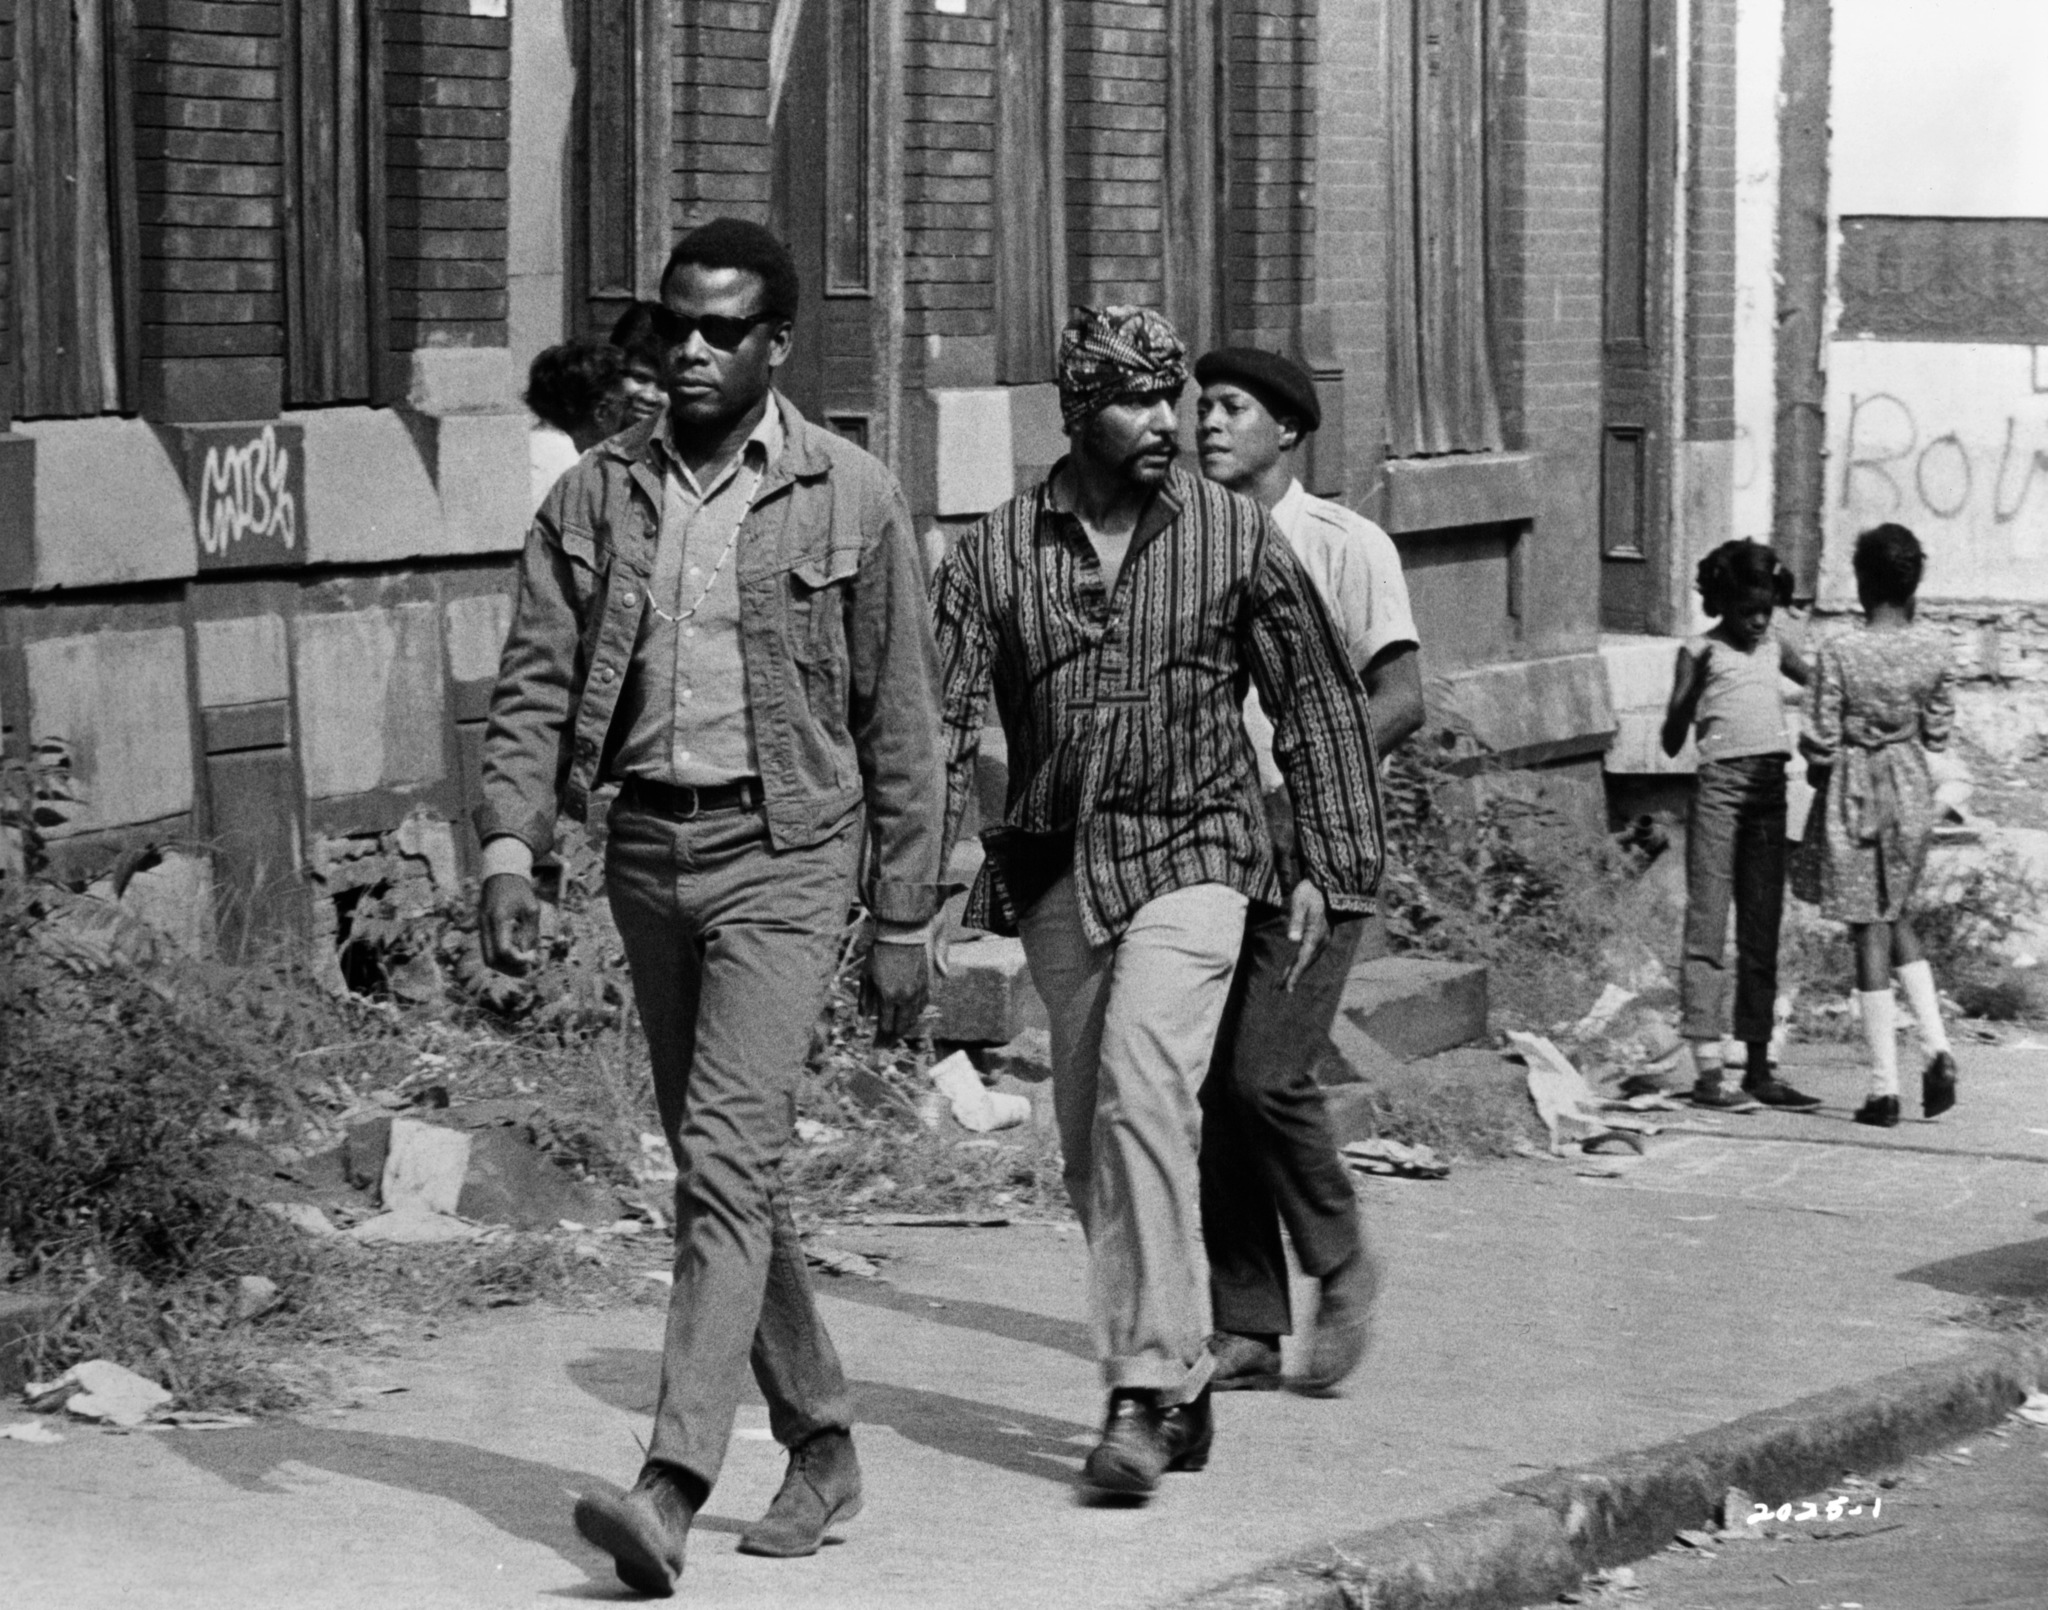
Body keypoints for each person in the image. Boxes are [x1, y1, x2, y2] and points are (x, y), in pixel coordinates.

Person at [476, 217, 947, 1595]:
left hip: (787, 855)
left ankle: (671, 1482)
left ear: (777, 346)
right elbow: (534, 687)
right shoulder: (595, 496)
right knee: (720, 1168)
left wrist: (907, 914)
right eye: (675, 323)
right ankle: (822, 1440)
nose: (689, 349)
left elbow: (902, 719)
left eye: (722, 329)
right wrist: (514, 853)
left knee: (727, 1166)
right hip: (646, 856)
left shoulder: (850, 496)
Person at [932, 306, 1385, 1498]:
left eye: (1170, 396)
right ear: (1077, 412)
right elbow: (926, 722)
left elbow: (1321, 703)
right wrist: (903, 891)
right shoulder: (992, 553)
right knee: (1090, 1147)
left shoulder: (1233, 536)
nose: (1164, 422)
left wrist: (1325, 867)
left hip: (1197, 854)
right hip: (1058, 871)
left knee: (1145, 1088)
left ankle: (1135, 1391)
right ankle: (1181, 1374)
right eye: (1133, 400)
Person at [1190, 347, 1421, 1395]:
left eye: (1231, 407)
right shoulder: (1186, 545)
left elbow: (1401, 693)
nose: (1206, 423)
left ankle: (1340, 1260)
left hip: (1319, 843)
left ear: (1286, 430)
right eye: (1202, 406)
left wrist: (1311, 782)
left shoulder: (1343, 543)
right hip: (1211, 841)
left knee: (1264, 1072)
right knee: (1214, 1085)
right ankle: (1243, 1323)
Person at [1795, 522, 1958, 1127]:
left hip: (1856, 789)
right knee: (1895, 912)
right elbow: (1938, 730)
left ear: (1862, 582)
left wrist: (1827, 771)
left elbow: (1817, 738)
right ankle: (1938, 1047)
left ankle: (1884, 1087)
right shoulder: (1936, 649)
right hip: (1911, 786)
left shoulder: (1840, 650)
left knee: (1866, 927)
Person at [1660, 540, 1820, 1110]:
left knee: (1762, 928)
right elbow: (1671, 738)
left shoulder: (1774, 645)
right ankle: (1707, 1074)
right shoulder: (1698, 650)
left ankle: (1758, 1067)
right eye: (1747, 610)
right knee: (1707, 923)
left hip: (1770, 795)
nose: (1757, 621)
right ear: (1722, 603)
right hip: (1719, 793)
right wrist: (1693, 690)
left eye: (1766, 609)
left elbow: (1822, 683)